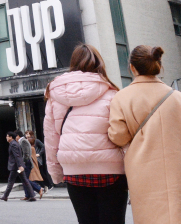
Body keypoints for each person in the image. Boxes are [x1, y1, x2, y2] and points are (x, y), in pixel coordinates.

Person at [44, 44, 127, 224]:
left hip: (75, 171)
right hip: (111, 170)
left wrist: (56, 173)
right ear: (99, 64)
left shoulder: (55, 95)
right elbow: (122, 135)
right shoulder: (112, 93)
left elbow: (51, 138)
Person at [108, 45, 181, 224]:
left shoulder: (122, 97)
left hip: (143, 170)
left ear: (132, 68)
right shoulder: (177, 97)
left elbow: (118, 136)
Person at [0, 131, 36, 202]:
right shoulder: (14, 143)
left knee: (11, 181)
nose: (6, 137)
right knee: (25, 180)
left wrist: (20, 166)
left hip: (16, 167)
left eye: (7, 136)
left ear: (11, 137)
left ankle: (5, 196)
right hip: (18, 167)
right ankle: (32, 195)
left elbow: (17, 156)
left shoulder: (13, 144)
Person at [15, 131, 43, 199]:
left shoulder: (23, 141)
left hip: (26, 163)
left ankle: (38, 188)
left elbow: (26, 154)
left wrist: (23, 162)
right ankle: (27, 195)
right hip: (25, 163)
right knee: (24, 179)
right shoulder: (22, 141)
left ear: (18, 136)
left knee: (25, 179)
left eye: (15, 136)